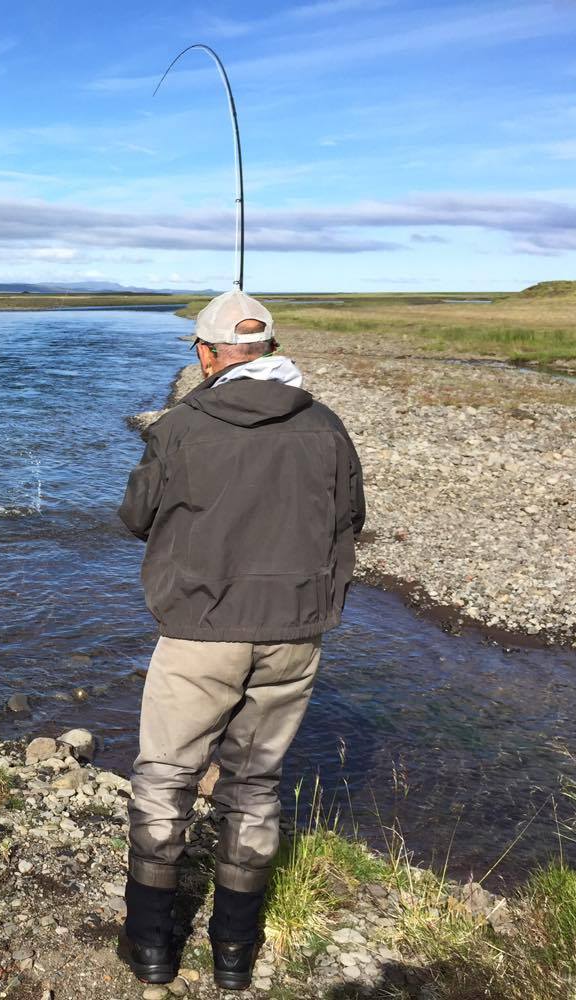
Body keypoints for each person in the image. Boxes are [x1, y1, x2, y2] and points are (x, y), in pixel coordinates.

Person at [116, 289, 365, 990]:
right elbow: (352, 517)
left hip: (198, 632)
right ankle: (233, 955)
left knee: (165, 778)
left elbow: (136, 516)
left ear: (206, 355)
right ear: (269, 352)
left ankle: (151, 949)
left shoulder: (179, 427)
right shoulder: (327, 426)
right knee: (255, 786)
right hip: (293, 633)